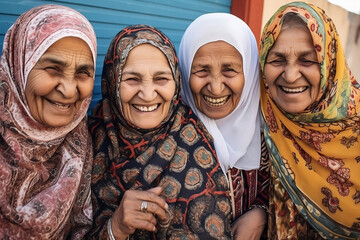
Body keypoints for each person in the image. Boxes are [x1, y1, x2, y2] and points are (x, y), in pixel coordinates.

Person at [88, 24, 232, 239]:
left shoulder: (194, 144)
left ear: (176, 82)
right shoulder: (88, 141)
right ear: (112, 81)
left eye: (161, 79)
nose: (147, 94)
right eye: (132, 79)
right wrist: (114, 229)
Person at [260, 2, 360, 239]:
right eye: (277, 60)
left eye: (307, 60)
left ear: (330, 62)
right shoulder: (254, 119)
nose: (291, 75)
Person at [0, 4, 97, 240]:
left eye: (83, 73)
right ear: (19, 66)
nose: (68, 89)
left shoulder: (82, 140)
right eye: (53, 68)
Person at [178, 13, 269, 239]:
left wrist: (262, 214)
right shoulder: (168, 134)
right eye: (201, 70)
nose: (216, 88)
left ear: (248, 70)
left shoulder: (272, 135)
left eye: (229, 70)